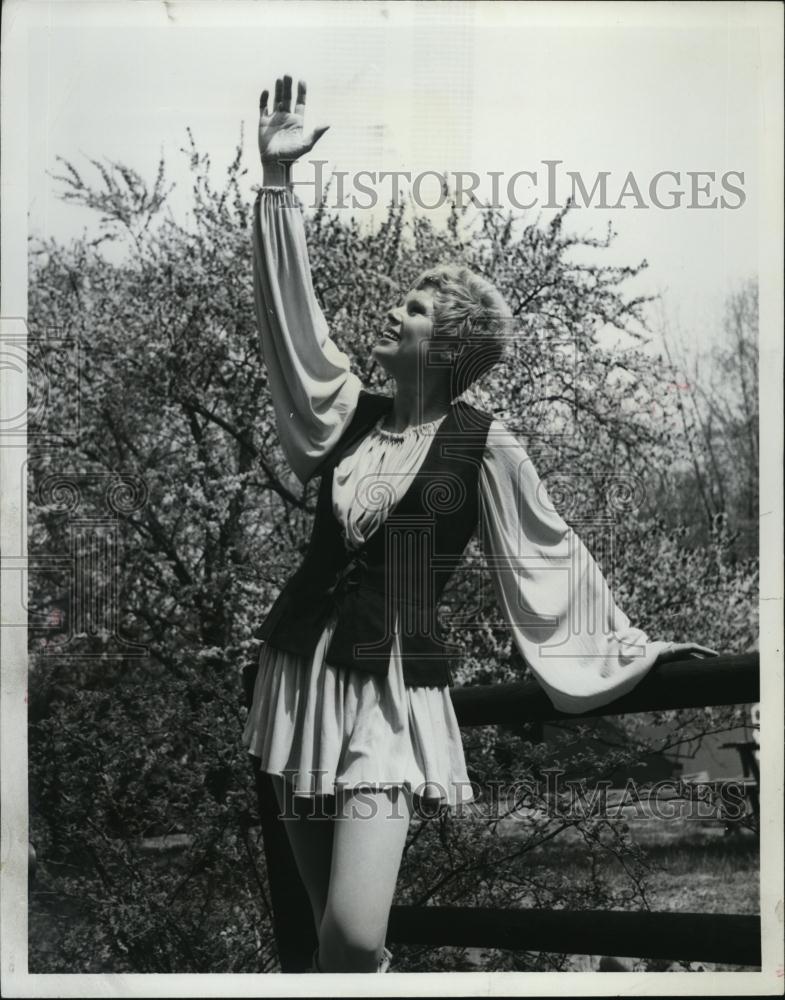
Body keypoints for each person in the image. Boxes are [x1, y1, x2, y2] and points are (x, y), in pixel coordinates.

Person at [242, 75, 717, 975]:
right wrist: (277, 188)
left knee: (354, 935)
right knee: (316, 950)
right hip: (298, 674)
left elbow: (546, 550)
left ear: (449, 346)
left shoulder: (484, 445)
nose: (391, 312)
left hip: (389, 693)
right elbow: (290, 330)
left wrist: (636, 649)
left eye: (414, 310)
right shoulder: (348, 414)